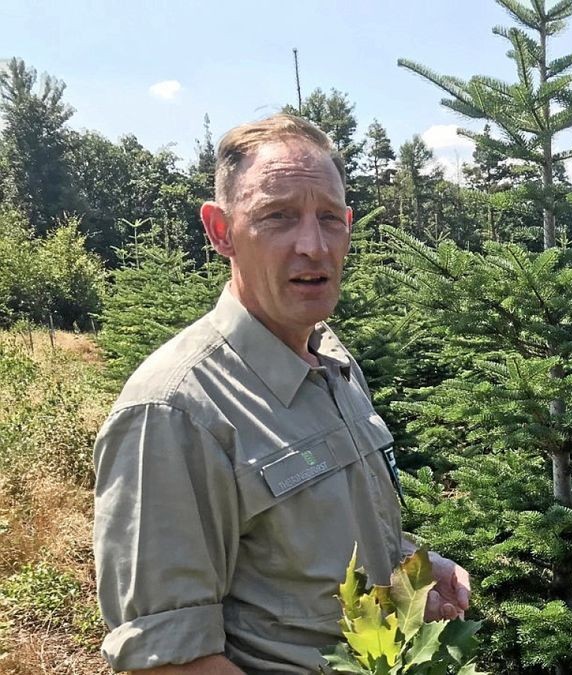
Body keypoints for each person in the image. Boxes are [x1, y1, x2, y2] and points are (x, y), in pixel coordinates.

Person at [92, 114, 470, 674]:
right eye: (277, 217)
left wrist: (413, 569)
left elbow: (317, 548)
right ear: (221, 231)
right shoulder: (174, 410)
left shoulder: (333, 364)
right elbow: (168, 662)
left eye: (328, 220)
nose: (313, 247)